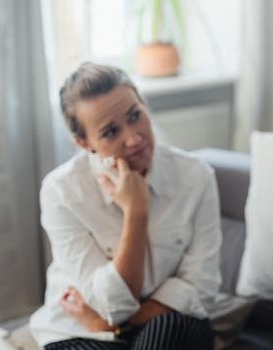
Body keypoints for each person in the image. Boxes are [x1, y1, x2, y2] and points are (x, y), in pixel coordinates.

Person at [29, 62, 221, 350]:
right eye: (110, 132)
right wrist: (136, 213)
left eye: (135, 116)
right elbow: (111, 304)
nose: (133, 138)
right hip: (83, 331)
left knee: (170, 329)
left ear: (144, 105)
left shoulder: (196, 176)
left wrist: (116, 325)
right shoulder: (61, 192)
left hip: (169, 322)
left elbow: (201, 287)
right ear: (84, 143)